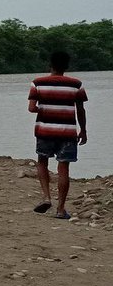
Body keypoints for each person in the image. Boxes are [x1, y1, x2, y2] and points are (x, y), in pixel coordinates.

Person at [28, 50, 88, 219]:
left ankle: (46, 197)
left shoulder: (38, 83)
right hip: (68, 132)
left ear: (50, 64)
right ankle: (60, 209)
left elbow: (32, 108)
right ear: (67, 66)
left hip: (44, 130)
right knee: (63, 168)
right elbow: (80, 110)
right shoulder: (76, 84)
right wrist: (83, 130)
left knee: (42, 162)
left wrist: (47, 110)